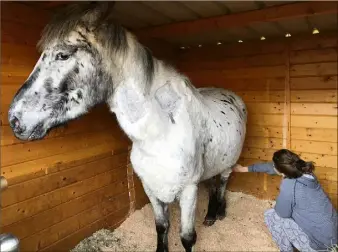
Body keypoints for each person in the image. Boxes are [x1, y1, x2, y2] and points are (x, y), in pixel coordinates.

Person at [232, 149, 337, 252]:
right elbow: (272, 167)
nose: (272, 167)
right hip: (334, 238)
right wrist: (245, 169)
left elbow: (282, 213)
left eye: (274, 165)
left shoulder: (290, 185)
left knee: (272, 215)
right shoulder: (306, 171)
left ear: (281, 171)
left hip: (322, 247)